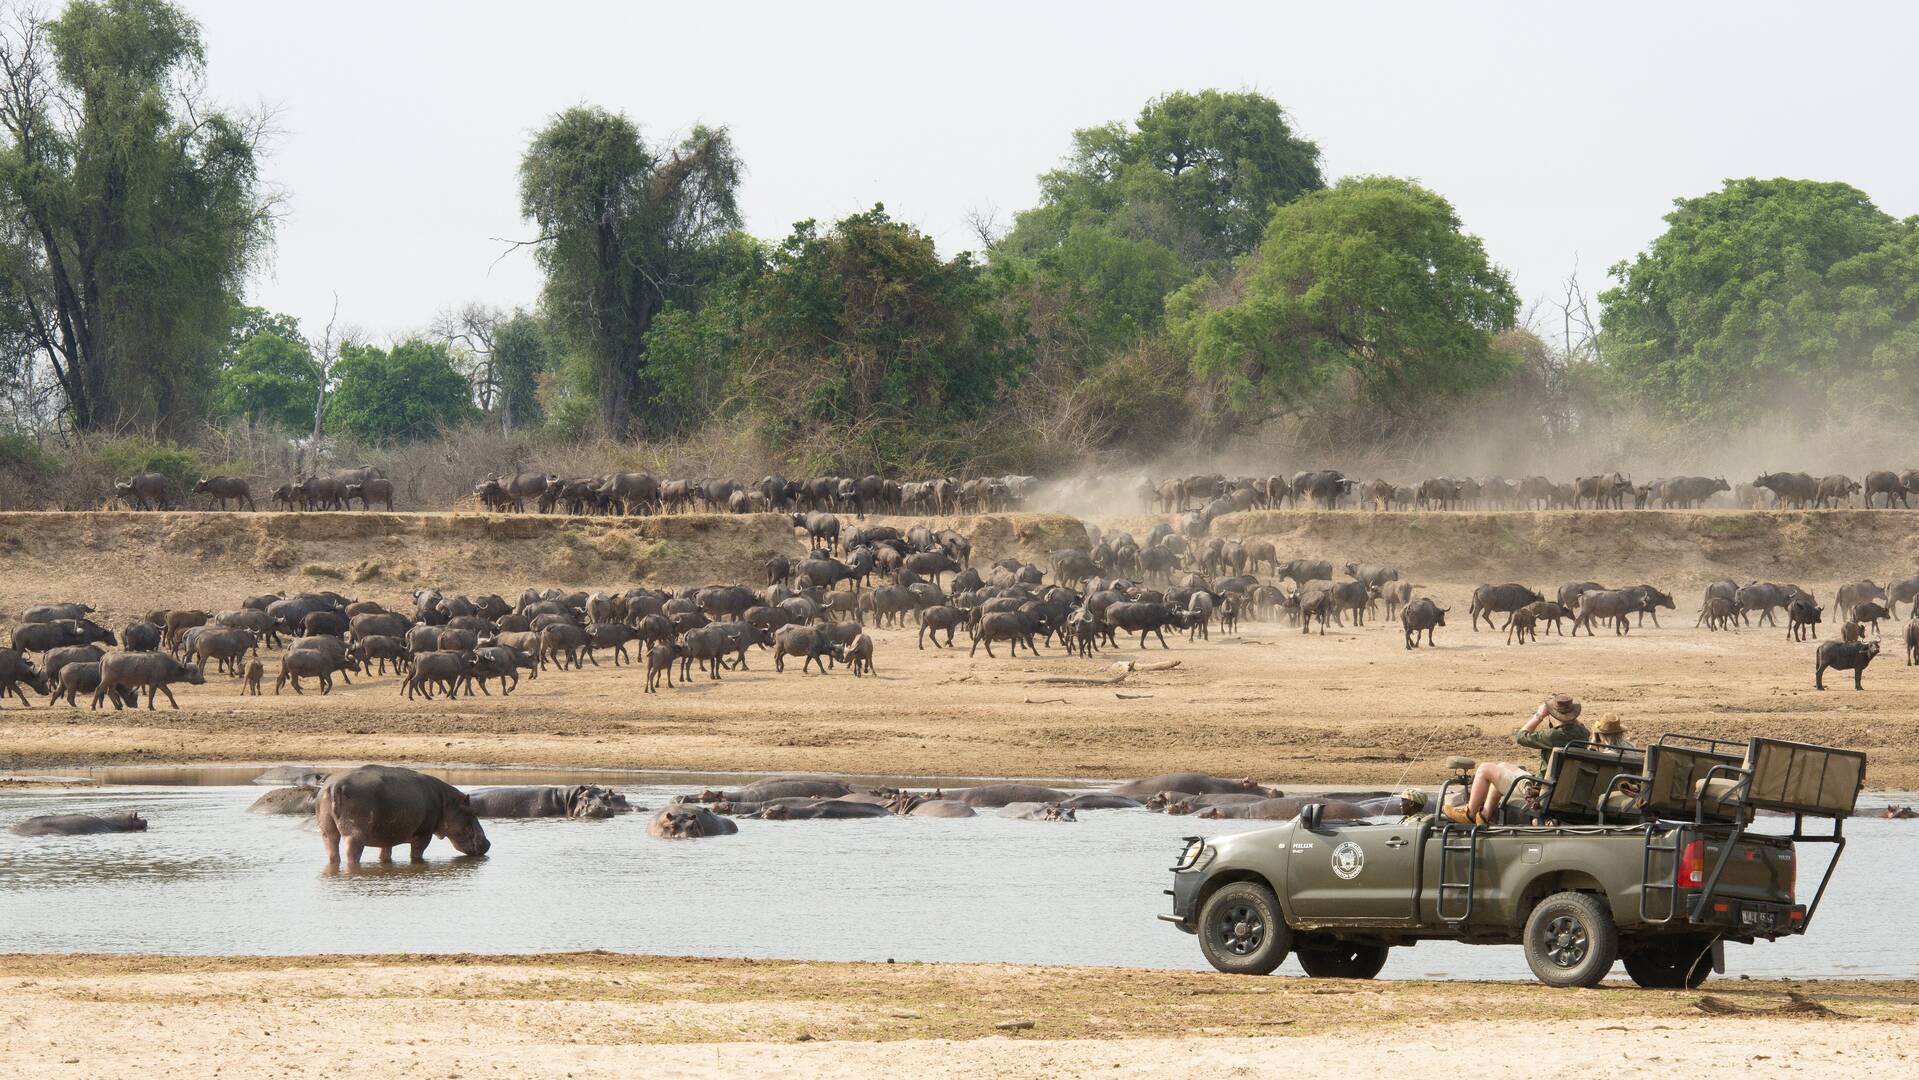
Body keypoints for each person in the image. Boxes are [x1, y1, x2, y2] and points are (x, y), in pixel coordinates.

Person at [1446, 693, 1589, 824]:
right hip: (1559, 788)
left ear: (1552, 715)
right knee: (1502, 766)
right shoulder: (1583, 733)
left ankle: (1469, 814)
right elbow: (1579, 726)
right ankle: (1484, 815)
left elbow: (1521, 736)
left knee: (1485, 769)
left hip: (1541, 790)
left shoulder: (1553, 736)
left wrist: (1539, 715)